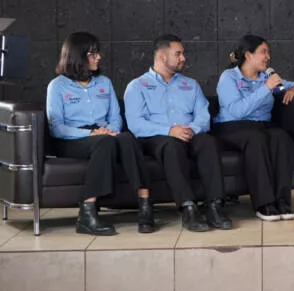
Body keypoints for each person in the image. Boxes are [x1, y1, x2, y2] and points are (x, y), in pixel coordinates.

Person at [45, 32, 155, 235]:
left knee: (128, 139)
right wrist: (91, 134)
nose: (99, 57)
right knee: (105, 142)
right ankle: (87, 213)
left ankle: (145, 204)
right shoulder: (57, 86)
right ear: (77, 56)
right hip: (72, 138)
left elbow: (115, 117)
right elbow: (57, 128)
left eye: (98, 53)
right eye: (93, 53)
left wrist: (108, 131)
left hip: (105, 133)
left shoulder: (104, 83)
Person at [124, 35, 232, 232]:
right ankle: (188, 208)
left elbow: (203, 116)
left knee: (208, 142)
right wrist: (169, 131)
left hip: (189, 133)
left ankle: (215, 206)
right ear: (162, 56)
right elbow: (136, 124)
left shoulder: (191, 84)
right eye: (178, 53)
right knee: (172, 146)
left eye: (183, 53)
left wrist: (191, 129)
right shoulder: (137, 86)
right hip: (156, 138)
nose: (183, 58)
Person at [213, 35, 294, 221]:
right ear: (248, 55)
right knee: (256, 139)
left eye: (268, 52)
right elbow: (237, 111)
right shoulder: (229, 77)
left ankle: (282, 200)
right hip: (232, 126)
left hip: (262, 125)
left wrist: (293, 90)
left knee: (282, 138)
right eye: (263, 52)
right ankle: (264, 203)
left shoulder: (266, 77)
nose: (268, 57)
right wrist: (266, 89)